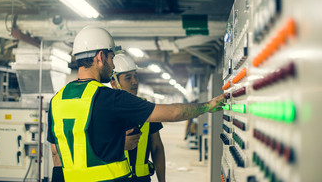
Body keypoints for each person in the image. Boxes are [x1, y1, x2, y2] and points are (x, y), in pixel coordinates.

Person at [47, 26, 226, 182]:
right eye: (111, 58)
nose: (113, 66)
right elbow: (174, 113)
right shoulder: (110, 98)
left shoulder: (57, 100)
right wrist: (208, 106)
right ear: (100, 57)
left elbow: (56, 153)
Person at [110, 53, 166, 182]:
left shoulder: (148, 109)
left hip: (143, 179)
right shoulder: (105, 110)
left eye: (136, 76)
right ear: (114, 83)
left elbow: (157, 147)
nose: (134, 82)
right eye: (128, 78)